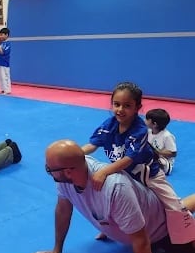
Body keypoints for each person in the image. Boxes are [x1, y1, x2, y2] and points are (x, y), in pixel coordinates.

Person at [29, 139, 195, 253]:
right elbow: (63, 209)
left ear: (68, 171)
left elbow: (141, 242)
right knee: (172, 210)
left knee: (184, 243)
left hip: (162, 233)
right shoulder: (69, 175)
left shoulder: (115, 188)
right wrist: (56, 249)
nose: (48, 172)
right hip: (148, 213)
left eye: (49, 169)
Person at [81, 81, 195, 244]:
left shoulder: (139, 130)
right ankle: (110, 230)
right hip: (124, 174)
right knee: (113, 201)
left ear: (137, 107)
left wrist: (104, 171)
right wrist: (75, 154)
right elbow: (93, 144)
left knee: (174, 206)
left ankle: (189, 236)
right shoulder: (109, 124)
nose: (120, 109)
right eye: (117, 104)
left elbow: (129, 159)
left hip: (149, 176)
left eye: (127, 105)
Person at [146, 108, 177, 175]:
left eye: (147, 120)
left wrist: (157, 152)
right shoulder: (148, 132)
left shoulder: (167, 136)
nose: (145, 121)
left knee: (160, 162)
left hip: (163, 159)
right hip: (151, 156)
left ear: (154, 124)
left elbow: (173, 153)